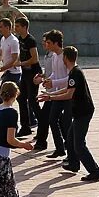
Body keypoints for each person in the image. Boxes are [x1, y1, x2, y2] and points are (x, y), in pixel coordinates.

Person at [39, 46, 99, 182]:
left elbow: (68, 94)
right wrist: (50, 94)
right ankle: (74, 164)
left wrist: (50, 97)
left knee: (79, 144)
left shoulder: (75, 73)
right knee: (70, 137)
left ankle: (95, 171)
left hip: (83, 112)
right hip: (80, 111)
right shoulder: (73, 72)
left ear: (65, 58)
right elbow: (67, 89)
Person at [34, 29, 70, 157]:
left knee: (64, 123)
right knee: (52, 120)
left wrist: (53, 83)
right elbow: (55, 73)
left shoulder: (66, 56)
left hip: (66, 95)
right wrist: (48, 80)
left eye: (48, 43)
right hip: (55, 94)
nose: (46, 45)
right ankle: (60, 148)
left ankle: (70, 148)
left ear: (56, 43)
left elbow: (70, 78)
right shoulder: (54, 55)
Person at [14, 17, 41, 137]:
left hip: (33, 73)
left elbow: (35, 59)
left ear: (24, 27)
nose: (15, 28)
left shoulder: (31, 40)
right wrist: (19, 61)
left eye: (18, 26)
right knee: (21, 98)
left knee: (32, 100)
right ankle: (25, 127)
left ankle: (42, 124)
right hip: (25, 73)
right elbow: (22, 54)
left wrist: (21, 63)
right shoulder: (20, 39)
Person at [0, 19, 22, 103]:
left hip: (14, 74)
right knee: (7, 96)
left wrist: (0, 69)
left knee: (3, 95)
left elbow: (14, 60)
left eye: (1, 27)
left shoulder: (14, 41)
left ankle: (7, 111)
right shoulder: (3, 39)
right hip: (8, 73)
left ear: (7, 27)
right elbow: (1, 54)